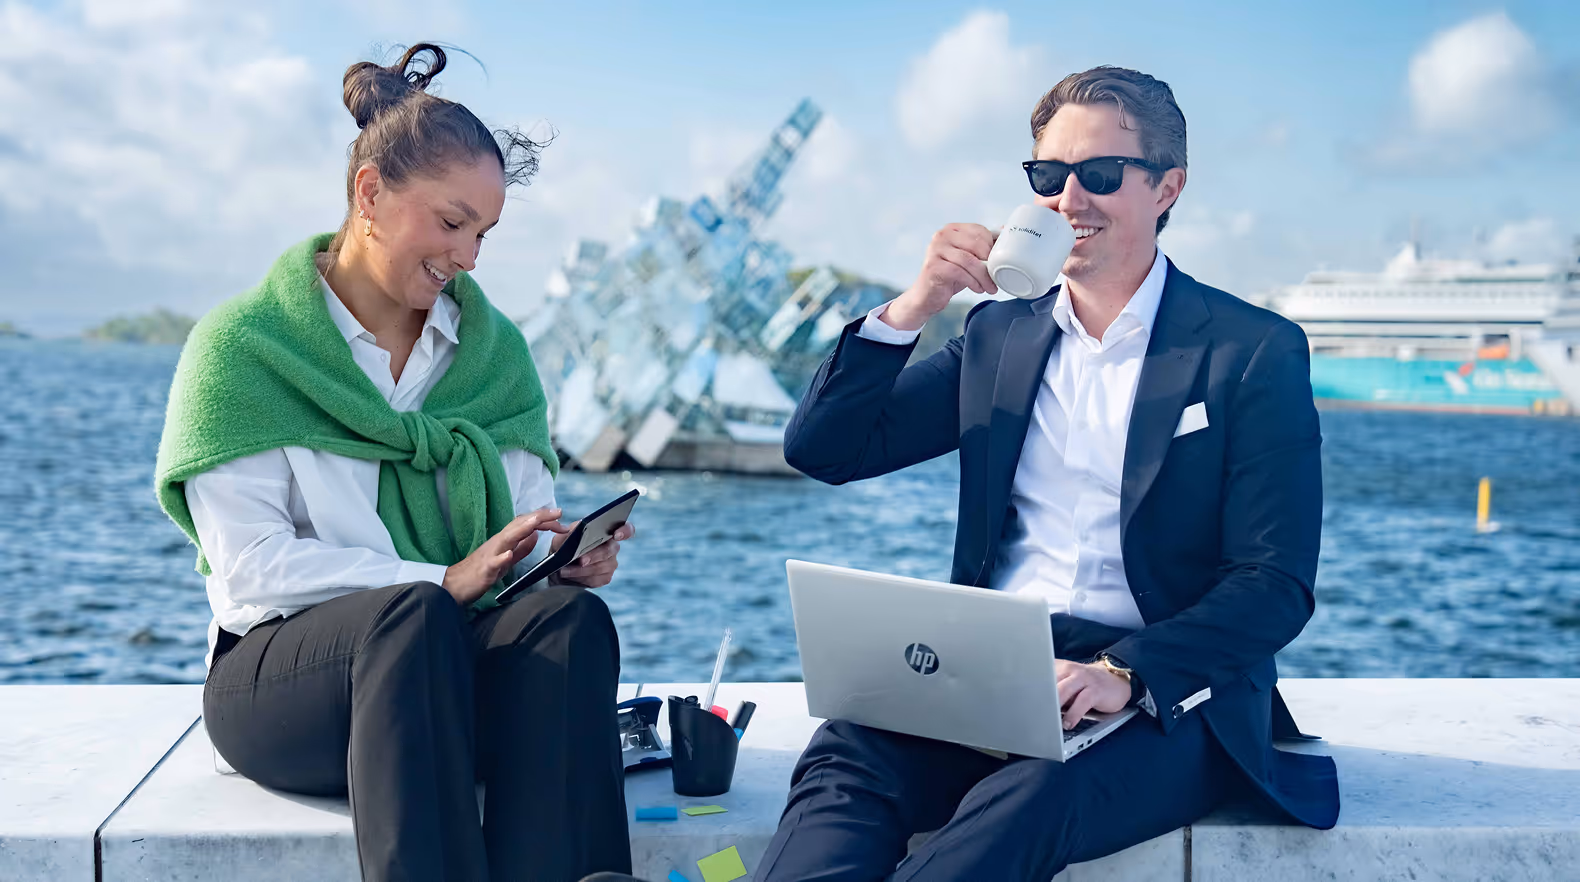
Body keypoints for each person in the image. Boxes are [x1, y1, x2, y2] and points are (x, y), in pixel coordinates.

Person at [755, 66, 1341, 880]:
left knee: (1028, 802)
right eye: (1047, 177)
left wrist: (1122, 673)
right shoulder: (1000, 338)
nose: (1069, 200)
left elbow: (1274, 582)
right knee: (846, 762)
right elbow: (826, 449)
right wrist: (914, 307)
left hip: (1162, 694)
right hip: (990, 668)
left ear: (1167, 188)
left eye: (1100, 175)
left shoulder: (1250, 351)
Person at [155, 44, 636, 882]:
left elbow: (522, 526)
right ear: (370, 195)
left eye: (483, 233)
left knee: (569, 626)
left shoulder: (494, 356)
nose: (470, 257)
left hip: (451, 668)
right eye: (452, 223)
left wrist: (561, 564)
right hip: (286, 688)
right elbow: (249, 573)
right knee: (409, 616)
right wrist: (438, 579)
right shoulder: (243, 350)